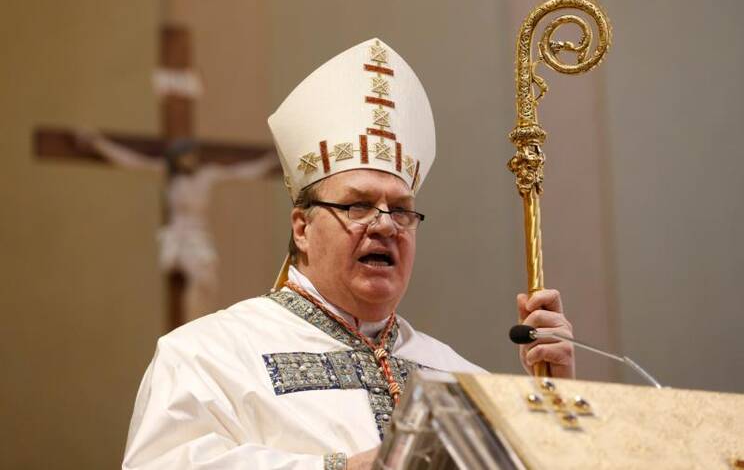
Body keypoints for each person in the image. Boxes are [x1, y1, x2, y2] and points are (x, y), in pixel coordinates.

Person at [122, 38, 574, 470]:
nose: (384, 225)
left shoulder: (464, 380)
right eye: (358, 205)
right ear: (302, 227)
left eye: (401, 210)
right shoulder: (208, 357)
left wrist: (554, 402)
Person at [77, 133, 277, 321]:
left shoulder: (206, 175)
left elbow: (240, 173)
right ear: (177, 157)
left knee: (206, 280)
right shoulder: (169, 175)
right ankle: (190, 323)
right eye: (185, 155)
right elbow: (131, 161)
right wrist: (98, 143)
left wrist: (269, 161)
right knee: (196, 277)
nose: (189, 159)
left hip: (198, 235)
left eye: (191, 154)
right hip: (177, 238)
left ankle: (196, 321)